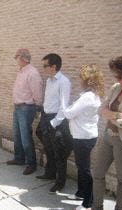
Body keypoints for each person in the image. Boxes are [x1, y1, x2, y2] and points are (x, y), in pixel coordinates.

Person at [92, 56, 122, 210]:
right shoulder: (116, 87)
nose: (116, 78)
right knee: (97, 174)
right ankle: (97, 207)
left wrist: (110, 115)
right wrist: (119, 115)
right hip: (108, 137)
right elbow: (100, 110)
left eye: (118, 75)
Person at [63, 65, 104, 210]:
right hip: (85, 136)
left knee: (84, 168)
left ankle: (88, 203)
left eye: (81, 77)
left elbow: (68, 114)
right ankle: (80, 193)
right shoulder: (92, 95)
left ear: (87, 80)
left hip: (83, 138)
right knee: (81, 167)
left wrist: (66, 107)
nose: (79, 80)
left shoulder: (87, 97)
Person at [36, 53, 73, 193]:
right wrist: (43, 116)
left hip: (56, 120)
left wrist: (53, 123)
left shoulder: (64, 82)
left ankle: (60, 182)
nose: (43, 68)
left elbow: (64, 107)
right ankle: (50, 173)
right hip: (46, 117)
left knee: (59, 153)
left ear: (54, 67)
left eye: (45, 66)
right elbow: (49, 101)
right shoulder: (49, 80)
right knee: (48, 148)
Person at [6, 49, 43, 175]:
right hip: (17, 108)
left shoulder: (32, 73)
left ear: (24, 58)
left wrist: (37, 107)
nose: (15, 59)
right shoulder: (21, 71)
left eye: (17, 56)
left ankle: (31, 164)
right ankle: (19, 158)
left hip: (26, 108)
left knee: (25, 136)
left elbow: (37, 93)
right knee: (17, 135)